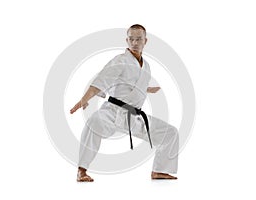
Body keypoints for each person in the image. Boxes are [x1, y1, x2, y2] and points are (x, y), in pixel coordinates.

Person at [70, 24, 179, 182]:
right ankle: (81, 170)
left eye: (139, 39)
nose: (135, 42)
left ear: (145, 41)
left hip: (134, 117)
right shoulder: (120, 60)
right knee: (94, 122)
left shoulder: (146, 66)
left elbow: (131, 84)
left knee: (170, 133)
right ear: (127, 40)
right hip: (113, 112)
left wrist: (147, 89)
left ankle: (159, 170)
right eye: (131, 39)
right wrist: (84, 99)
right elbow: (100, 81)